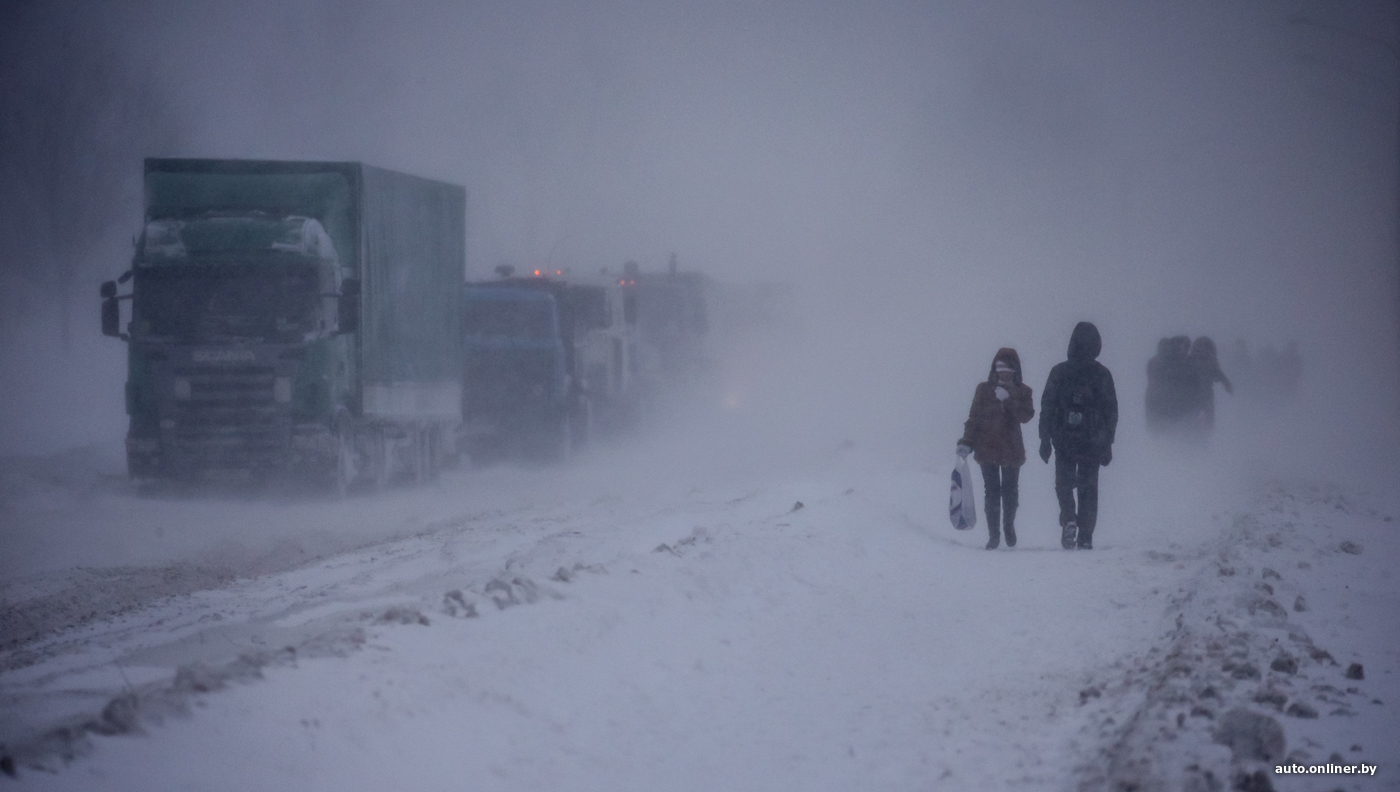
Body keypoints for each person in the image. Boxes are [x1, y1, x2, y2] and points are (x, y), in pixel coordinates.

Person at [1038, 322, 1118, 550]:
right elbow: (1111, 410)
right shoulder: (1102, 374)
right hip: (1093, 440)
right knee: (1088, 488)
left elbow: (1048, 405)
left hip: (1064, 438)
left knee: (1063, 484)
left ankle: (1069, 518)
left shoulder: (1059, 372)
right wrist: (1108, 441)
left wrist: (1044, 439)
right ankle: (1085, 534)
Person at [957, 348, 1035, 549]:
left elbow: (1026, 416)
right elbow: (974, 418)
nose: (1004, 373)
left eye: (1008, 369)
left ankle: (1008, 526)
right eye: (1000, 369)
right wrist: (966, 442)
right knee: (991, 492)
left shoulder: (1024, 391)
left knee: (1010, 492)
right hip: (987, 448)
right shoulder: (983, 390)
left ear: (1015, 371)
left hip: (1011, 449)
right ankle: (994, 535)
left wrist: (1008, 400)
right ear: (994, 369)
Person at [1145, 335, 1196, 434]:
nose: (1181, 349)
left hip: (1171, 409)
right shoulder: (1167, 363)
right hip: (1164, 409)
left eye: (1185, 347)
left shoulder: (1185, 363)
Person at [1187, 336, 1231, 434]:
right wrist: (1226, 383)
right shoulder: (1210, 361)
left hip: (1193, 397)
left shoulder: (1190, 360)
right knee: (1206, 423)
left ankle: (1195, 438)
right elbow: (1218, 375)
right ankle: (1202, 439)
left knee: (1193, 422)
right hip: (1205, 396)